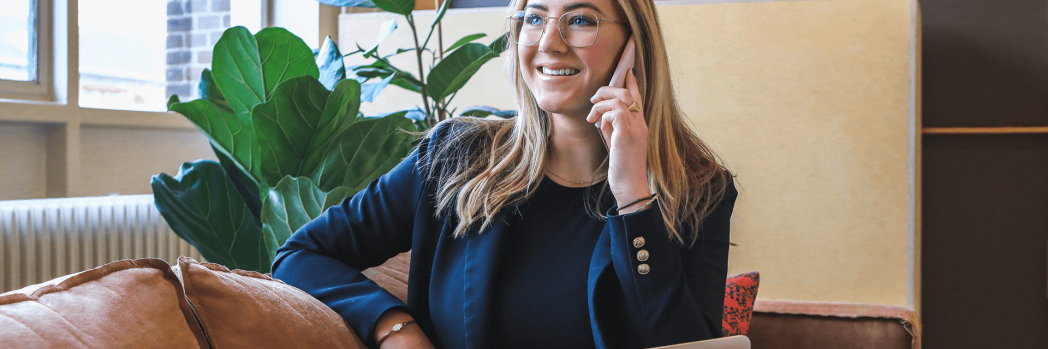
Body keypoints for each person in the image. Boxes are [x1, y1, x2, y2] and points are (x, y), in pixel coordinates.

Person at [271, 0, 738, 347]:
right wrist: (394, 327)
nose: (548, 43)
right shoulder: (455, 157)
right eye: (533, 18)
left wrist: (634, 198)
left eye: (580, 20)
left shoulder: (700, 190)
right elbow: (300, 253)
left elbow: (683, 342)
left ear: (635, 44)